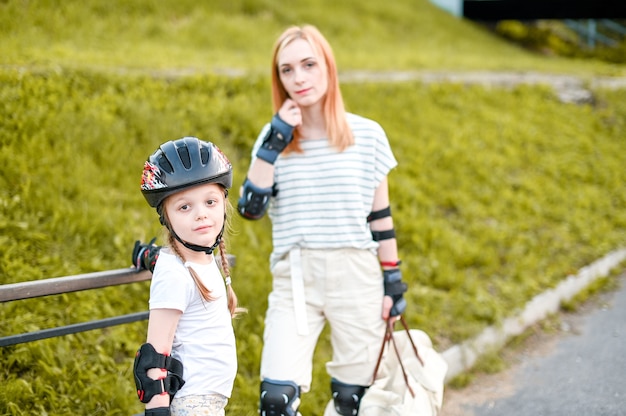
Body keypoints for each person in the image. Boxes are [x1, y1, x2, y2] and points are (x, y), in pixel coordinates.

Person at [237, 25, 408, 416]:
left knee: (355, 402)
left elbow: (380, 217)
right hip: (296, 278)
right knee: (275, 400)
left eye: (309, 64)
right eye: (287, 70)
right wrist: (274, 144)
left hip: (357, 276)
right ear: (278, 78)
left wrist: (393, 281)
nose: (299, 78)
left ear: (328, 67)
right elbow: (250, 209)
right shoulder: (273, 136)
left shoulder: (368, 135)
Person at [132, 137, 243, 416]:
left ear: (223, 203)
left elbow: (166, 261)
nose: (201, 215)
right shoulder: (175, 273)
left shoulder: (200, 259)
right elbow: (154, 357)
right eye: (185, 207)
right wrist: (157, 412)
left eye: (210, 201)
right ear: (166, 218)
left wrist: (148, 258)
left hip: (209, 403)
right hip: (193, 405)